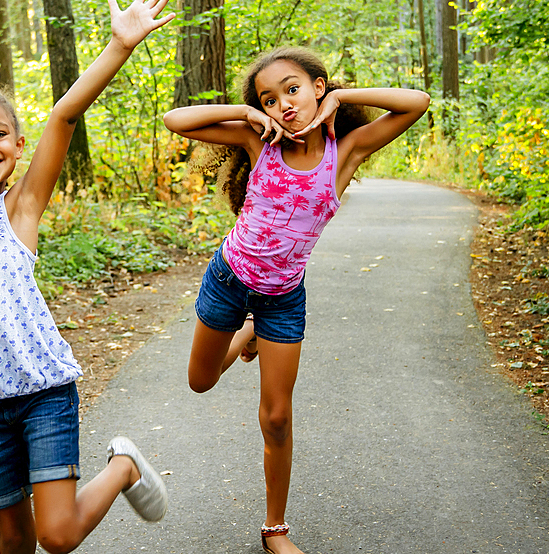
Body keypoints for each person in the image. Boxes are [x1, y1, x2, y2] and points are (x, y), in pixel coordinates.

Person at [0, 0, 175, 554]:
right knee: (13, 541)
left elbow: (63, 115)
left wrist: (118, 46)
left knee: (55, 536)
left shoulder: (20, 208)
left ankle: (123, 468)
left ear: (16, 144)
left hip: (43, 394)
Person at [163, 47, 430, 554]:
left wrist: (345, 99)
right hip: (228, 279)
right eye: (269, 97)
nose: (284, 103)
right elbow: (175, 119)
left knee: (277, 417)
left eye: (293, 89)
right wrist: (244, 113)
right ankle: (246, 334)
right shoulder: (255, 139)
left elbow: (415, 102)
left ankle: (275, 530)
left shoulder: (343, 151)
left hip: (283, 300)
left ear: (318, 88)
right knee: (200, 382)